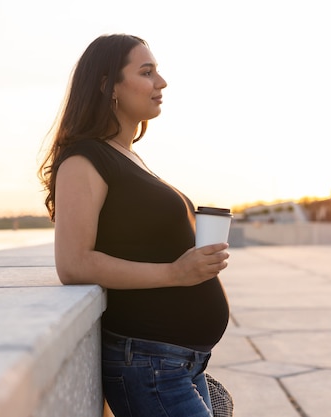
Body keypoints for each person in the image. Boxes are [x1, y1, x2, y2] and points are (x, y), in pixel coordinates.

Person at [38, 34, 230, 417]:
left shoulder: (126, 156)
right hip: (151, 365)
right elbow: (74, 264)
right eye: (147, 72)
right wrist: (176, 273)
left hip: (180, 364)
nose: (161, 83)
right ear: (108, 85)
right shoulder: (83, 160)